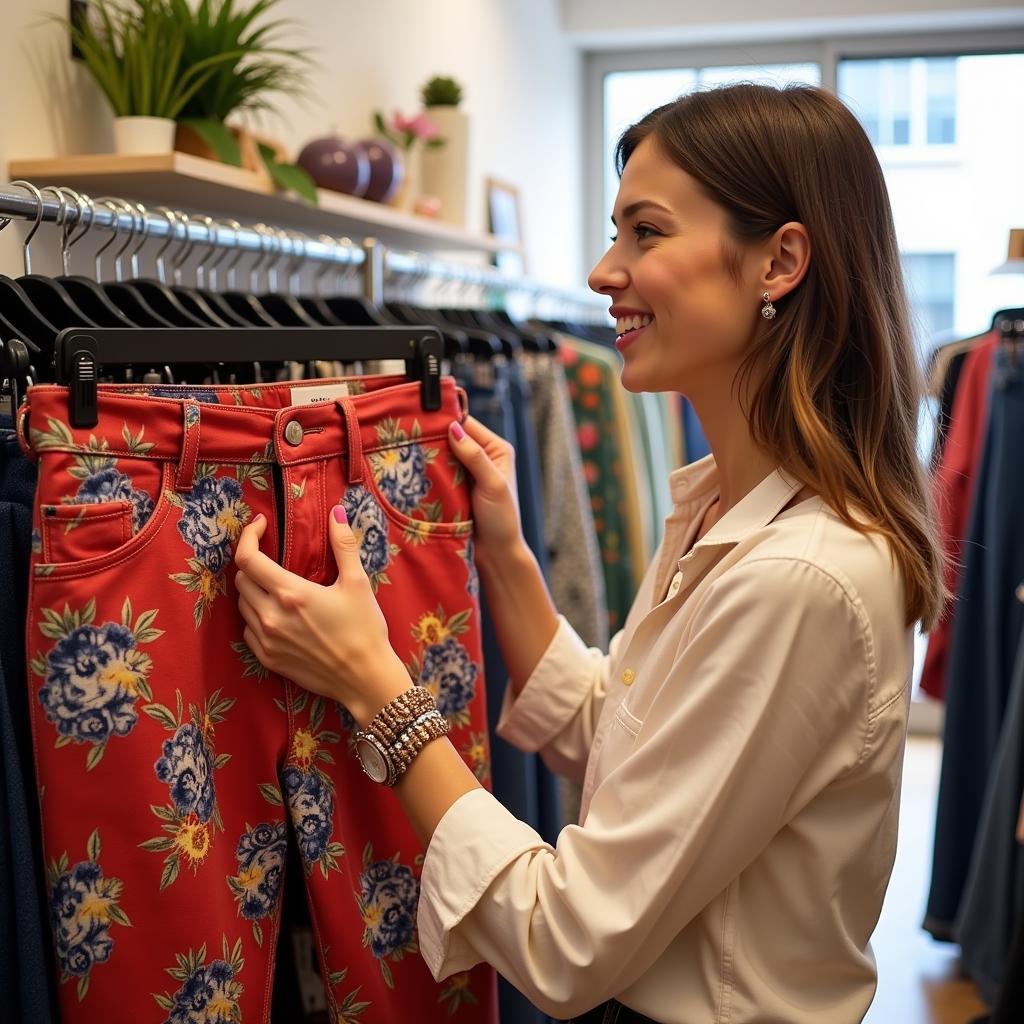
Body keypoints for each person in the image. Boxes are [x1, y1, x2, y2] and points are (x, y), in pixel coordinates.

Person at [233, 82, 944, 1024]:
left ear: (780, 261)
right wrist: (508, 555)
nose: (606, 270)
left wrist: (374, 685)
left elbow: (568, 943)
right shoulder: (730, 510)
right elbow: (627, 734)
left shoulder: (797, 577)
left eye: (646, 233)